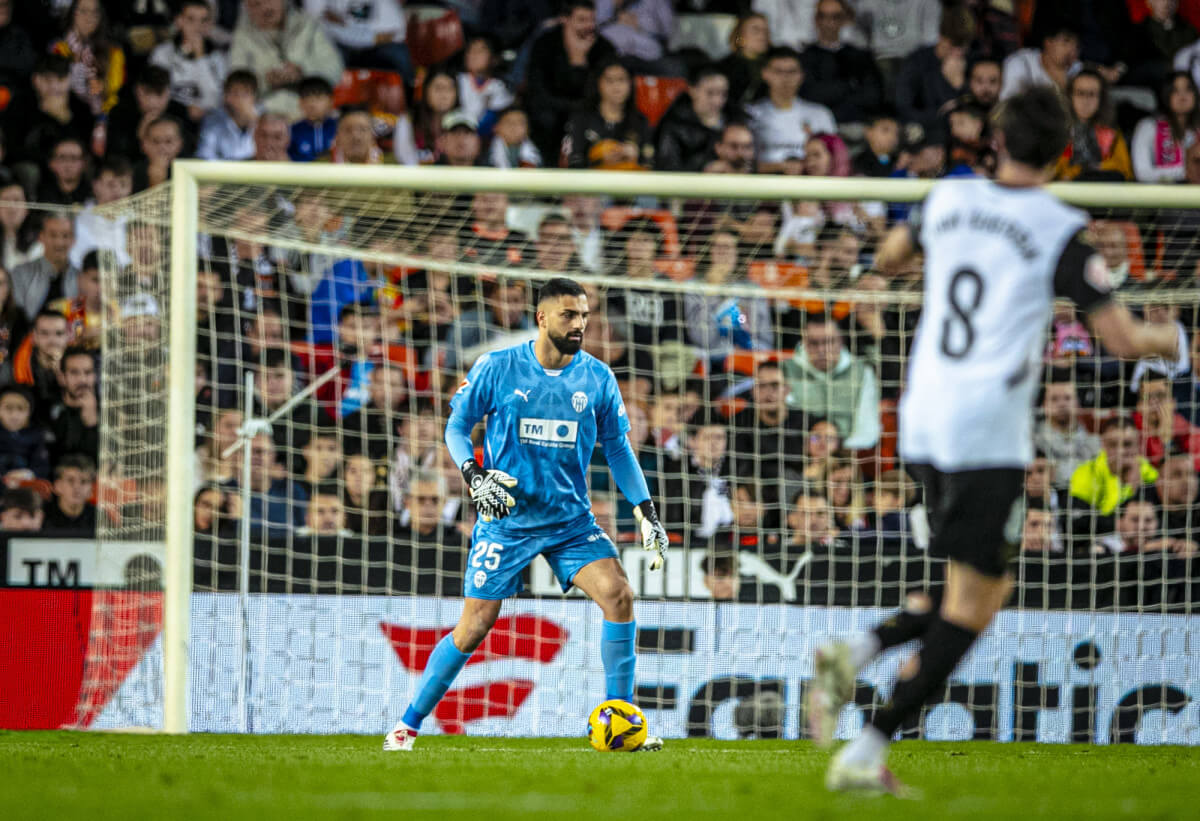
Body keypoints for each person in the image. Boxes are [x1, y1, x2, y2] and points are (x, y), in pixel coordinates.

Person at [807, 86, 1180, 795]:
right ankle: (860, 722)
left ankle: (861, 674)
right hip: (987, 433)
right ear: (1064, 154)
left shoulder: (950, 198)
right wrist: (1174, 336)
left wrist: (931, 248)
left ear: (996, 140)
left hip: (921, 421)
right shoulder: (1059, 226)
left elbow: (886, 259)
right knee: (975, 608)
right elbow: (1125, 339)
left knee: (964, 590)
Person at [382, 277, 669, 752]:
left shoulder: (598, 377)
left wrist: (646, 512)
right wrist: (474, 475)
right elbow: (456, 426)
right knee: (473, 626)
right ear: (541, 318)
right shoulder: (499, 367)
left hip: (569, 520)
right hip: (507, 518)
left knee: (619, 595)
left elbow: (617, 449)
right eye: (569, 315)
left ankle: (621, 724)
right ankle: (406, 725)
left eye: (584, 315)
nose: (579, 324)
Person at [525, 1, 617, 164]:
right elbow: (538, 92)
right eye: (582, 20)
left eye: (592, 20)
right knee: (546, 119)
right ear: (564, 20)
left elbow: (601, 94)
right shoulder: (545, 44)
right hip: (550, 113)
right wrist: (575, 60)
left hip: (588, 111)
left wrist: (580, 62)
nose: (589, 26)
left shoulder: (604, 48)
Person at [229, 0, 343, 119]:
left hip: (310, 109)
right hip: (264, 114)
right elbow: (237, 84)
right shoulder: (241, 36)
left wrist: (302, 71)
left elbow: (334, 70)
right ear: (247, 8)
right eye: (255, 4)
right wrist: (265, 80)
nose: (265, 7)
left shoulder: (308, 25)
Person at [782, 313, 879, 450]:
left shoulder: (862, 372)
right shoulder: (786, 371)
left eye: (829, 342)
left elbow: (867, 428)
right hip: (798, 454)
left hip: (847, 456)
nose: (822, 350)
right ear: (804, 342)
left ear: (841, 342)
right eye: (814, 343)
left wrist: (838, 454)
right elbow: (784, 425)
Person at [745, 46, 837, 172]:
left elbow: (835, 160)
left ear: (801, 75)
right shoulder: (750, 114)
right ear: (765, 74)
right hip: (763, 185)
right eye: (778, 71)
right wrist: (778, 167)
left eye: (791, 72)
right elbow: (741, 162)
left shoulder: (820, 114)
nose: (785, 78)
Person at [799, 0, 882, 125]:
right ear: (816, 20)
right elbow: (809, 95)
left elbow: (873, 96)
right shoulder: (804, 57)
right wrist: (850, 85)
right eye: (823, 16)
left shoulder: (860, 56)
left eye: (835, 17)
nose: (829, 22)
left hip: (856, 122)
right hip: (817, 125)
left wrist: (831, 92)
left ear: (844, 20)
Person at [894, 6, 974, 132]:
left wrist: (960, 85)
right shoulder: (917, 62)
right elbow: (903, 108)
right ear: (941, 38)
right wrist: (940, 116)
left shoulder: (970, 61)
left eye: (963, 47)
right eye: (953, 46)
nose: (958, 53)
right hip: (928, 131)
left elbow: (977, 109)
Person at [565, 58, 654, 171]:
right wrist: (600, 161)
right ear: (598, 83)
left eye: (622, 80)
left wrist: (636, 157)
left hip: (629, 185)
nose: (616, 87)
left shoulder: (640, 121)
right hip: (590, 186)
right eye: (609, 80)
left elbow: (650, 165)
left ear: (630, 84)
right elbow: (572, 164)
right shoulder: (581, 119)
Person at [149, 0, 229, 122]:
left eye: (203, 21)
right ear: (179, 21)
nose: (197, 27)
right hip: (171, 117)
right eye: (191, 19)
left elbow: (216, 100)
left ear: (209, 25)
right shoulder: (162, 53)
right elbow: (156, 95)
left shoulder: (219, 58)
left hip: (207, 121)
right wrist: (184, 111)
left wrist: (200, 58)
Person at [1053, 69, 1133, 182]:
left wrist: (1090, 168)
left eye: (1092, 94)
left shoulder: (1111, 130)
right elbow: (1055, 169)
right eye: (1080, 93)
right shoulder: (1059, 130)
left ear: (1101, 99)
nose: (1086, 101)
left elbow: (1124, 170)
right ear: (1070, 96)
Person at [305, 0, 411, 83]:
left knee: (397, 51)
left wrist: (347, 29)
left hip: (375, 46)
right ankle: (325, 101)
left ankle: (410, 95)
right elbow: (316, 17)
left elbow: (393, 31)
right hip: (336, 43)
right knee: (320, 51)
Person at [50, 0, 125, 115]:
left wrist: (101, 86)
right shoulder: (58, 49)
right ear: (72, 14)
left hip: (103, 116)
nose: (89, 18)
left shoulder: (114, 52)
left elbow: (114, 92)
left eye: (95, 13)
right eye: (83, 11)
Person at [654, 64, 728, 173]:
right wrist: (703, 169)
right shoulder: (674, 125)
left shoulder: (734, 122)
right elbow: (668, 169)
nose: (717, 101)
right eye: (710, 93)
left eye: (723, 94)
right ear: (693, 91)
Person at [1131, 71, 1200, 183]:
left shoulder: (1197, 129)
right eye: (1175, 90)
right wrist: (1188, 171)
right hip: (1160, 195)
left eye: (1188, 89)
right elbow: (1142, 173)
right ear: (1165, 95)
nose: (1182, 96)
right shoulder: (1148, 126)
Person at [1033, 376, 1100, 489]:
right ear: (1044, 406)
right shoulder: (1033, 442)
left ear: (1078, 404)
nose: (1062, 404)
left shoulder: (1095, 443)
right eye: (1054, 399)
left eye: (1068, 398)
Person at [11, 215, 76, 323]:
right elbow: (17, 317)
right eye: (53, 235)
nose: (59, 242)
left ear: (73, 240)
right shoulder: (20, 273)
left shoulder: (81, 276)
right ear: (41, 237)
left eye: (65, 236)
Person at [48, 345, 98, 463]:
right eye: (75, 373)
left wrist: (92, 423)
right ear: (62, 377)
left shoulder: (108, 411)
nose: (82, 380)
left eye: (88, 372)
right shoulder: (48, 410)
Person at [717, 12, 770, 115]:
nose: (763, 35)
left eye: (766, 30)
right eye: (756, 30)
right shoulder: (725, 67)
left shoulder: (774, 64)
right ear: (740, 34)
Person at [43, 453, 97, 535]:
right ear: (57, 486)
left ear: (91, 489)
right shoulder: (41, 516)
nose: (77, 487)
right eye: (70, 480)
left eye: (84, 481)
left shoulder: (99, 519)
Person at [289, 76, 339, 162]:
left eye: (318, 98)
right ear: (300, 102)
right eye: (307, 98)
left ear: (331, 101)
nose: (312, 104)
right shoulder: (292, 131)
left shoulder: (340, 128)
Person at [36, 137, 90, 206]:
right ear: (51, 163)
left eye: (74, 158)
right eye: (62, 158)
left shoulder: (93, 196)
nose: (68, 164)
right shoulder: (39, 197)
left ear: (84, 163)